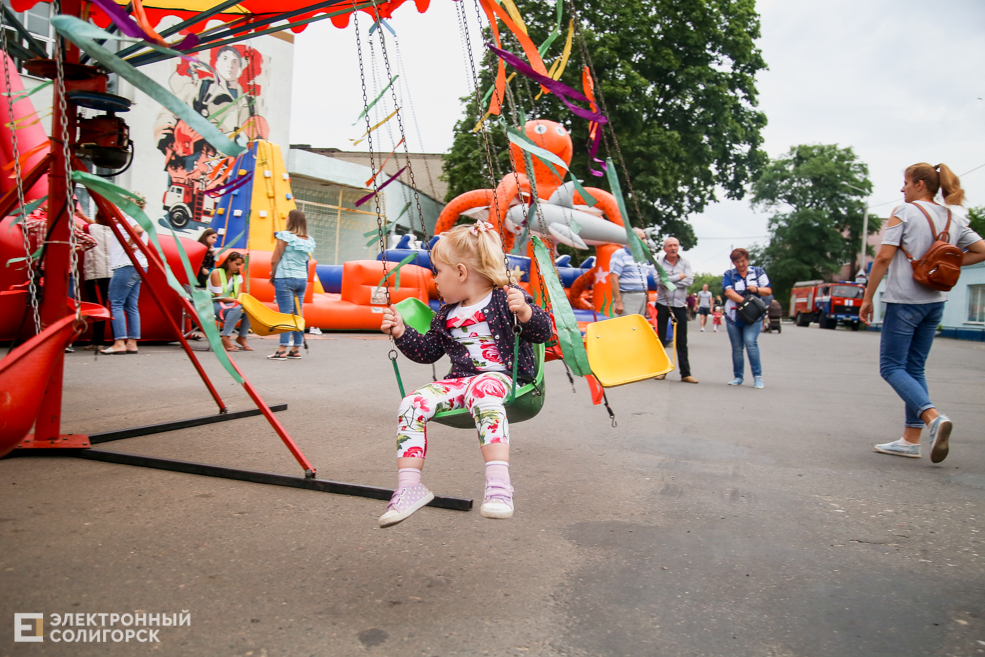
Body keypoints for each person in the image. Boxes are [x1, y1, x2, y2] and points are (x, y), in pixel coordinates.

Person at [378, 221, 552, 527]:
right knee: (411, 403)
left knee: (483, 389)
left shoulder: (505, 298)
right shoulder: (446, 314)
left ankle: (499, 486)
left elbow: (543, 331)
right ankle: (409, 487)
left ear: (460, 273)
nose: (434, 280)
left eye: (437, 272)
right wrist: (402, 333)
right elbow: (429, 351)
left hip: (506, 382)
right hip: (460, 384)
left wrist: (525, 312)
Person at [860, 163, 985, 462]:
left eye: (904, 183)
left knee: (891, 367)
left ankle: (933, 418)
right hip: (935, 302)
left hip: (905, 300)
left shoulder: (903, 212)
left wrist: (868, 298)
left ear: (919, 184)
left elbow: (883, 258)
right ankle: (910, 440)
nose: (901, 189)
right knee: (914, 369)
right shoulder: (955, 216)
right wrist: (945, 265)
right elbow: (981, 250)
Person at [102, 197, 149, 355]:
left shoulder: (129, 218)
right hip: (140, 265)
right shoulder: (143, 219)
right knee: (131, 305)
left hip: (125, 264)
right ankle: (132, 342)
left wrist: (128, 245)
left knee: (115, 302)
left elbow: (137, 230)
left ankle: (119, 341)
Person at [268, 210, 315, 360]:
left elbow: (275, 259)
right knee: (297, 313)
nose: (286, 218)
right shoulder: (308, 240)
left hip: (285, 277)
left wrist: (273, 275)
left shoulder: (285, 236)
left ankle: (282, 349)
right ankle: (295, 348)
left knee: (286, 315)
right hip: (302, 279)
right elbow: (307, 262)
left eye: (288, 216)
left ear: (292, 220)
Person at [722, 248, 771, 388]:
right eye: (737, 262)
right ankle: (738, 376)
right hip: (733, 315)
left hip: (753, 315)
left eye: (743, 261)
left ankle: (758, 376)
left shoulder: (758, 272)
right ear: (733, 263)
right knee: (737, 348)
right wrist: (746, 303)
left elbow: (767, 290)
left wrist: (756, 290)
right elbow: (728, 292)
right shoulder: (729, 274)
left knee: (750, 342)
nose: (741, 264)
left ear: (747, 260)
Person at [654, 236, 697, 383]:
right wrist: (679, 276)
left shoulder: (685, 262)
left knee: (682, 340)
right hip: (662, 304)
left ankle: (685, 374)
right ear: (665, 248)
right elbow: (658, 281)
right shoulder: (658, 262)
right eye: (670, 246)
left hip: (679, 305)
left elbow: (689, 280)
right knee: (660, 339)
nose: (673, 248)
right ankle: (661, 370)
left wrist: (668, 280)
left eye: (675, 245)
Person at [81, 211, 113, 350]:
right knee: (109, 306)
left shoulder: (92, 229)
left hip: (95, 273)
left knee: (97, 307)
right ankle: (114, 337)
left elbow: (80, 226)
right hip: (110, 272)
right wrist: (82, 216)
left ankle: (98, 340)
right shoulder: (113, 231)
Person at [209, 251, 252, 352]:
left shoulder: (238, 277)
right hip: (212, 305)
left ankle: (242, 337)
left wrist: (242, 301)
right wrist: (238, 301)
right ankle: (225, 337)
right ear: (229, 261)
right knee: (237, 308)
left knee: (248, 308)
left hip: (229, 305)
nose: (238, 267)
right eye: (237, 264)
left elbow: (238, 296)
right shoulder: (216, 273)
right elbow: (219, 297)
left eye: (240, 265)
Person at [609, 227, 653, 317]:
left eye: (644, 238)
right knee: (626, 327)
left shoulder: (642, 257)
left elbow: (644, 281)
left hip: (641, 297)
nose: (644, 241)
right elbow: (613, 278)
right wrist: (618, 302)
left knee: (636, 327)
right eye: (642, 238)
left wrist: (647, 303)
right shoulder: (620, 254)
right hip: (627, 296)